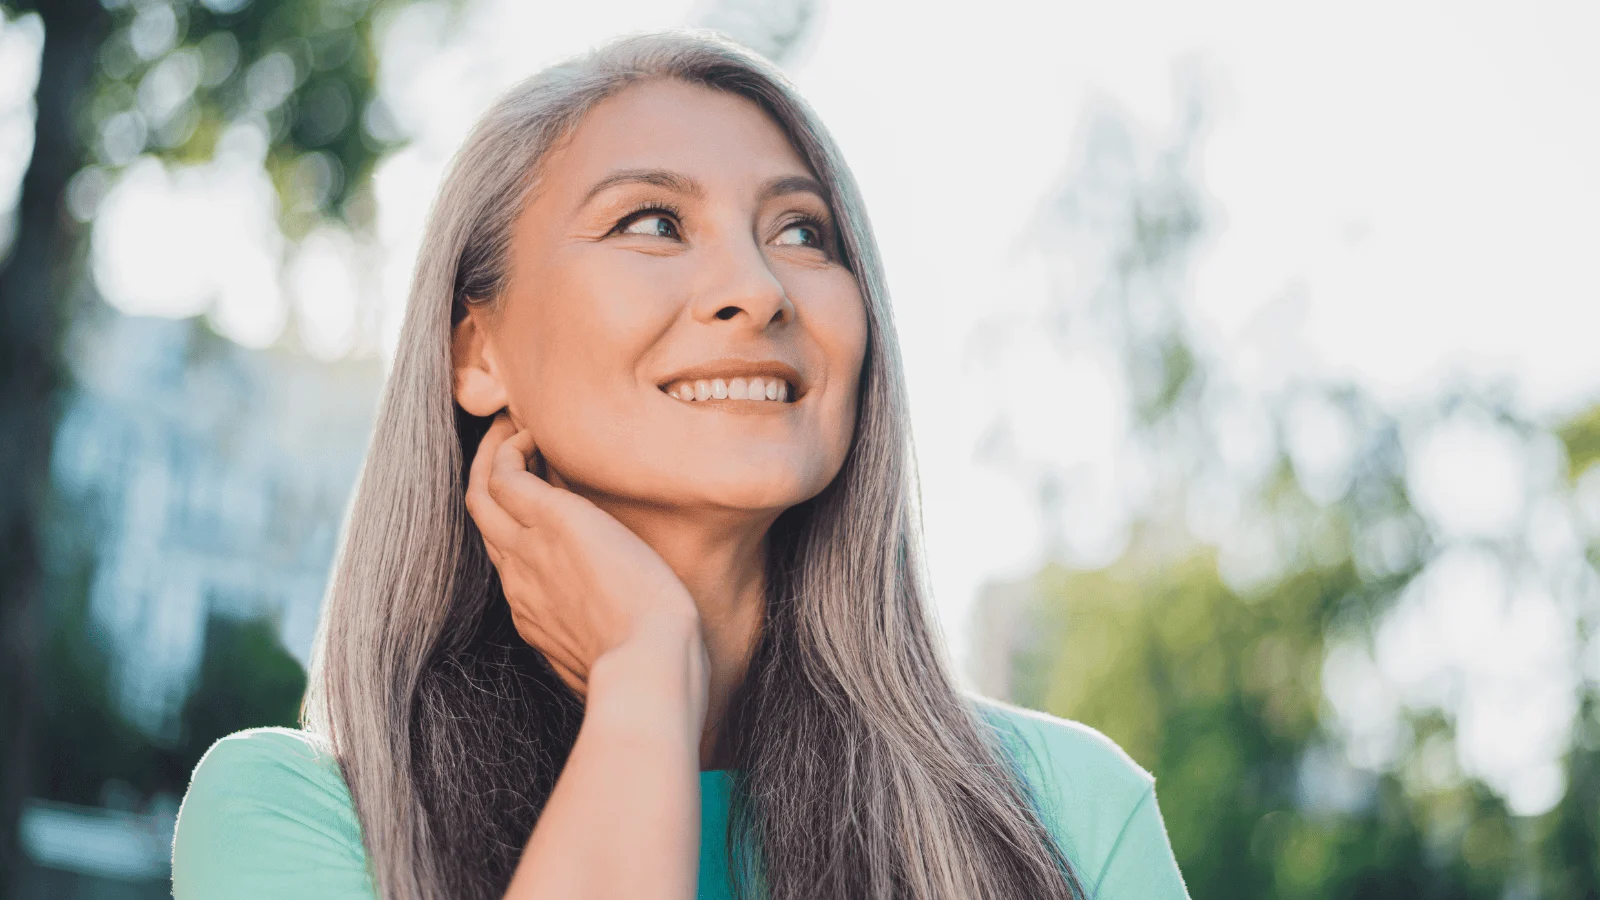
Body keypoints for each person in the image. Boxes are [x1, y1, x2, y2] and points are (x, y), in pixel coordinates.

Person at [169, 29, 1190, 900]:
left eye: (802, 231)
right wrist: (646, 674)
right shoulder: (292, 820)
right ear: (475, 352)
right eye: (651, 223)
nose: (755, 288)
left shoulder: (1068, 813)